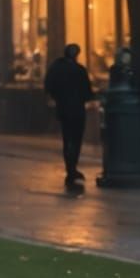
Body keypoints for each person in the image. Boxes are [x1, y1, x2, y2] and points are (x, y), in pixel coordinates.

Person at [43, 42, 94, 191]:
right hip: (78, 110)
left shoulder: (56, 68)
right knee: (76, 139)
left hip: (63, 109)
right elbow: (87, 92)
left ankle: (70, 168)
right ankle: (72, 167)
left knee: (67, 138)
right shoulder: (80, 70)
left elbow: (48, 85)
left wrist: (57, 98)